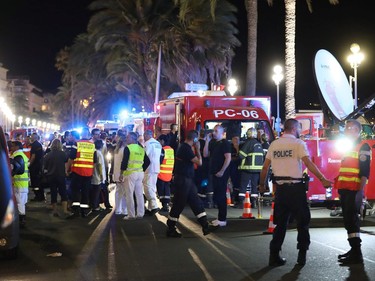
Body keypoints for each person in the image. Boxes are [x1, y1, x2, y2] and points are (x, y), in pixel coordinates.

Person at [258, 118, 332, 267]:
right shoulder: (298, 144)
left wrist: (262, 185)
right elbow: (308, 163)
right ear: (293, 129)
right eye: (298, 128)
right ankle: (302, 256)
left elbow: (265, 167)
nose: (299, 131)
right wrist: (322, 179)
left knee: (280, 224)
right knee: (303, 223)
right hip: (296, 189)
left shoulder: (274, 144)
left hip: (281, 190)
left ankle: (274, 255)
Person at [334, 119, 371, 265]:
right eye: (346, 128)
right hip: (345, 189)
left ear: (357, 130)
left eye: (350, 128)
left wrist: (360, 192)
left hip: (354, 190)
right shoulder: (349, 146)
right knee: (348, 221)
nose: (347, 130)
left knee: (352, 221)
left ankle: (357, 252)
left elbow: (365, 171)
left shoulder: (363, 146)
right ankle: (354, 250)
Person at [166, 130, 210, 237]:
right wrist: (198, 149)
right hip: (183, 180)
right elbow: (199, 162)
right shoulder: (186, 148)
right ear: (195, 139)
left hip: (186, 180)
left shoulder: (184, 147)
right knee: (179, 203)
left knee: (195, 202)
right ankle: (171, 227)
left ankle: (205, 225)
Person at [203, 124, 231, 227]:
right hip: (214, 172)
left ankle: (222, 219)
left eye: (216, 131)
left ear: (222, 133)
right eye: (213, 131)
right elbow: (205, 154)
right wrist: (207, 141)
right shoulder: (214, 143)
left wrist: (222, 171)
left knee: (221, 196)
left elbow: (228, 158)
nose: (213, 133)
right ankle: (220, 218)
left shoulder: (225, 143)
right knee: (217, 195)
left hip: (221, 174)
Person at [66, 127, 95, 218]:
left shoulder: (77, 144)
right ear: (89, 134)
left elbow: (71, 158)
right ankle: (84, 211)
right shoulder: (92, 145)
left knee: (75, 191)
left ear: (82, 134)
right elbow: (94, 161)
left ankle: (76, 211)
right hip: (88, 173)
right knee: (85, 192)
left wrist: (67, 169)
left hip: (77, 172)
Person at [119, 132, 149, 219]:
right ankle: (140, 213)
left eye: (128, 138)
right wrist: (142, 169)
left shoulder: (128, 148)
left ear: (132, 138)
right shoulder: (141, 148)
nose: (126, 139)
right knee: (139, 194)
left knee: (129, 194)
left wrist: (121, 174)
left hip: (130, 173)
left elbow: (124, 162)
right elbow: (147, 161)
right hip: (140, 173)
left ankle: (131, 215)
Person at [236, 128, 264, 208]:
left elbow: (241, 155)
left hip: (247, 168)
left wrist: (237, 147)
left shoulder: (249, 143)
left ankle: (241, 202)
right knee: (254, 186)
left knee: (243, 186)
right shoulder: (258, 144)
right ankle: (254, 203)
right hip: (257, 170)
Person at [43, 139, 70, 217]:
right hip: (61, 176)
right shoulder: (63, 154)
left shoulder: (48, 155)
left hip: (51, 176)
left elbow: (45, 167)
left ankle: (55, 211)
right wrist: (66, 171)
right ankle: (65, 210)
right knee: (63, 192)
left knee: (53, 193)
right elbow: (66, 164)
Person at [9, 141, 29, 227]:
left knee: (19, 202)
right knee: (21, 202)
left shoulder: (17, 155)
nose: (11, 148)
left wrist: (11, 174)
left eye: (13, 146)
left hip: (19, 183)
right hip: (23, 183)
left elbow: (16, 167)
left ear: (17, 147)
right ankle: (22, 218)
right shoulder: (23, 155)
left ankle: (22, 220)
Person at [143, 129, 162, 215]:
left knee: (147, 187)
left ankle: (154, 206)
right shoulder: (158, 143)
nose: (143, 138)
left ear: (147, 135)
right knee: (153, 187)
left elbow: (145, 156)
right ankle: (151, 208)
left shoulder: (147, 144)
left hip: (149, 168)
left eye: (144, 136)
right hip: (156, 167)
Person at [156, 134, 174, 212]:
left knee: (161, 190)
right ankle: (166, 205)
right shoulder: (171, 150)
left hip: (161, 174)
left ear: (162, 141)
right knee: (167, 190)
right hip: (168, 174)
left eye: (159, 141)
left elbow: (159, 161)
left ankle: (164, 206)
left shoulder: (162, 150)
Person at [113, 134, 128, 216]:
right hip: (123, 174)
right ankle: (124, 209)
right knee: (125, 193)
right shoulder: (125, 150)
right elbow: (125, 163)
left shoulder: (117, 150)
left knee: (118, 192)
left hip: (117, 174)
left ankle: (118, 209)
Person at [90, 139, 107, 212]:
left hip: (93, 175)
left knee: (94, 192)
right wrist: (101, 175)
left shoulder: (94, 152)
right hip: (97, 176)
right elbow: (99, 165)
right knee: (96, 192)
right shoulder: (99, 153)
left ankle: (94, 205)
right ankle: (95, 206)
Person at [29, 132, 45, 201]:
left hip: (34, 166)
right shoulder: (39, 144)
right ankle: (41, 196)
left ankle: (38, 196)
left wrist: (29, 164)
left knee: (35, 182)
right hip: (39, 165)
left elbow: (33, 156)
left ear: (34, 137)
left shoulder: (34, 145)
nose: (30, 137)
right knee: (39, 181)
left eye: (31, 136)